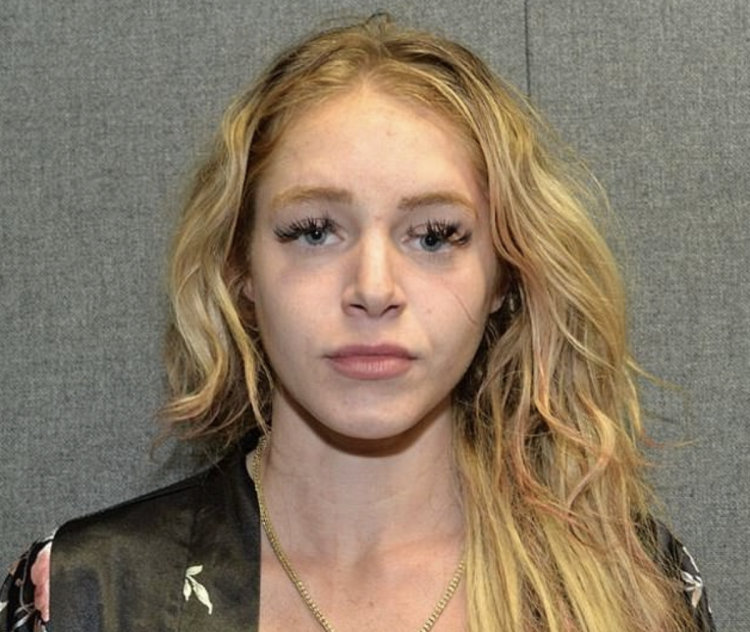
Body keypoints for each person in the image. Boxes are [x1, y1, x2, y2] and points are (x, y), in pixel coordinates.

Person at [1, 13, 715, 632]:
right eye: (314, 231)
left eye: (434, 236)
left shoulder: (632, 588)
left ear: (505, 273)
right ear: (239, 266)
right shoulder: (87, 595)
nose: (374, 290)